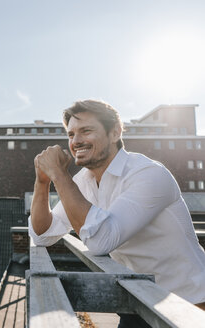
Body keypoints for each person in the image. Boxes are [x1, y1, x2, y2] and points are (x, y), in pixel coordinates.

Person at [28, 99, 205, 328]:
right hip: (139, 295)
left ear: (115, 133)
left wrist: (59, 175)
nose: (76, 141)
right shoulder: (84, 181)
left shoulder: (147, 174)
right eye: (71, 134)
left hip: (188, 304)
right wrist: (42, 181)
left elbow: (102, 241)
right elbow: (42, 234)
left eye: (86, 131)